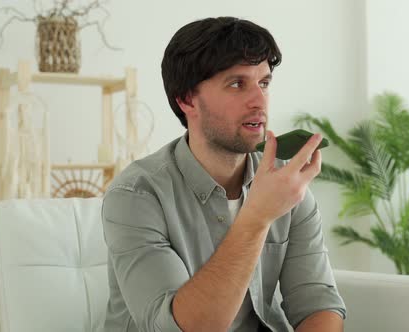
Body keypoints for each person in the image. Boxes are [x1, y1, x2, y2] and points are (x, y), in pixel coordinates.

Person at [102, 16, 346, 332]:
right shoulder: (135, 195)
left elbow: (317, 304)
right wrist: (257, 217)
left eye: (264, 83)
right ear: (187, 99)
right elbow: (178, 328)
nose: (260, 101)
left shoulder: (286, 184)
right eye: (236, 84)